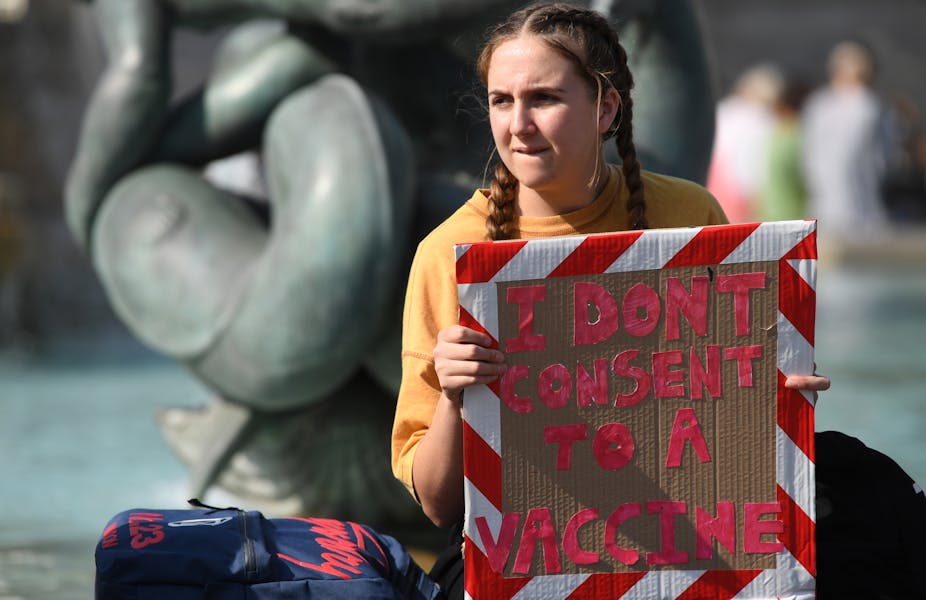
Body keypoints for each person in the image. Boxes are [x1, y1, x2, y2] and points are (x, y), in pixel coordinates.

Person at [389, 3, 831, 597]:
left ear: (606, 108)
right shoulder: (446, 253)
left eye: (544, 98)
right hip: (529, 571)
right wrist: (452, 396)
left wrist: (777, 397)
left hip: (687, 559)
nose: (518, 124)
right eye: (501, 101)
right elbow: (439, 505)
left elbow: (726, 432)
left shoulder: (691, 216)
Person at [801, 40, 892, 239]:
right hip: (861, 202)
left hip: (823, 200)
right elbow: (883, 159)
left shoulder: (818, 104)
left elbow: (808, 153)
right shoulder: (868, 104)